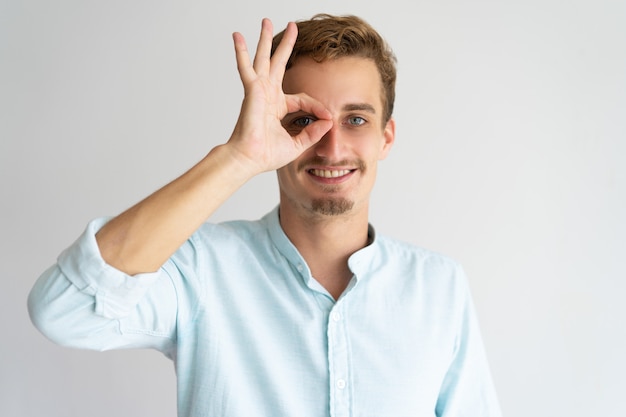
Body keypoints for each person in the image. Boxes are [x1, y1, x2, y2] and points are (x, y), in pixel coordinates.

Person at [28, 14, 501, 417]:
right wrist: (239, 157)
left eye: (356, 119)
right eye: (302, 120)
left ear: (386, 137)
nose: (331, 146)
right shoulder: (202, 269)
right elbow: (62, 311)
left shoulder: (439, 286)